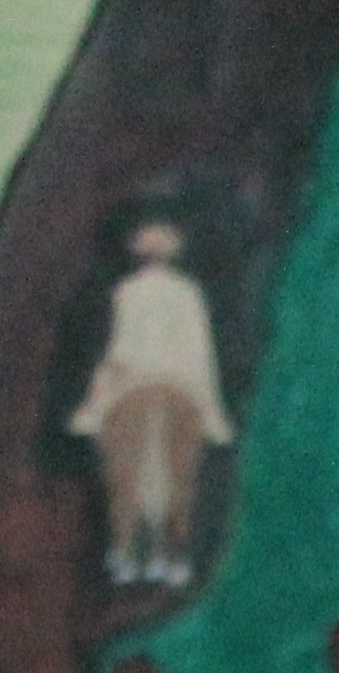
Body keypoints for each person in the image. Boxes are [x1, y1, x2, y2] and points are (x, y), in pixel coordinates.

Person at [73, 222, 234, 589]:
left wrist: (94, 407)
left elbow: (118, 350)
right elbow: (199, 352)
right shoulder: (189, 293)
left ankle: (128, 554)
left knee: (127, 473)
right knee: (178, 475)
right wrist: (212, 413)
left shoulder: (127, 291)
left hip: (133, 385)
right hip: (180, 387)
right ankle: (173, 556)